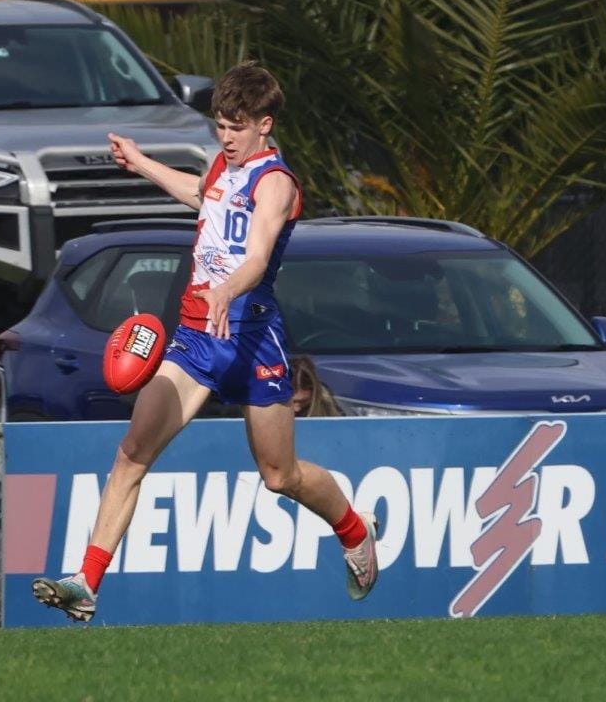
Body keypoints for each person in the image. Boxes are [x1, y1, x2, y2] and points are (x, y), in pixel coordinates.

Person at [31, 61, 379, 622]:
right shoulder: (223, 165)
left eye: (236, 127)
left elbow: (259, 255)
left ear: (264, 124)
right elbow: (203, 193)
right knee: (132, 453)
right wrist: (141, 162)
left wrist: (227, 290)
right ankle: (86, 581)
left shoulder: (277, 184)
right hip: (195, 338)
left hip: (254, 340)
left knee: (279, 476)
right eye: (219, 124)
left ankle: (355, 531)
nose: (225, 137)